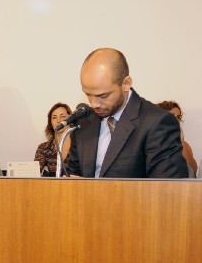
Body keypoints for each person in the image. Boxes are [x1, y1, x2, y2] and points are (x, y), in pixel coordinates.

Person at [65, 48, 188, 178]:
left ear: (126, 84)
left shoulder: (157, 123)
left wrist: (93, 189)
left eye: (103, 96)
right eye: (88, 94)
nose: (94, 104)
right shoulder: (85, 122)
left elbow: (167, 187)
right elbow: (73, 174)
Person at [155, 100, 197, 175]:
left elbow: (193, 171)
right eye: (172, 116)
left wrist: (181, 142)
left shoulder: (184, 144)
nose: (176, 120)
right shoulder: (148, 141)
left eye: (178, 117)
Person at [34, 103, 73, 176]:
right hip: (53, 183)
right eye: (54, 117)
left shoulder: (79, 146)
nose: (58, 120)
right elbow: (35, 173)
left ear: (71, 120)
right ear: (50, 123)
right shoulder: (44, 148)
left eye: (63, 116)